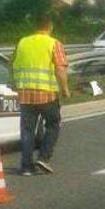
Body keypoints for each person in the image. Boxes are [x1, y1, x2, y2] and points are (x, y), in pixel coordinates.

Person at [10, 15, 70, 176]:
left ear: (35, 27)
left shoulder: (22, 42)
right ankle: (44, 158)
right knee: (53, 124)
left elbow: (11, 63)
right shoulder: (53, 43)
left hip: (25, 95)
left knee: (27, 131)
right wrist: (65, 88)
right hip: (47, 95)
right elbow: (60, 68)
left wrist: (16, 84)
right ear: (50, 27)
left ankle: (26, 167)